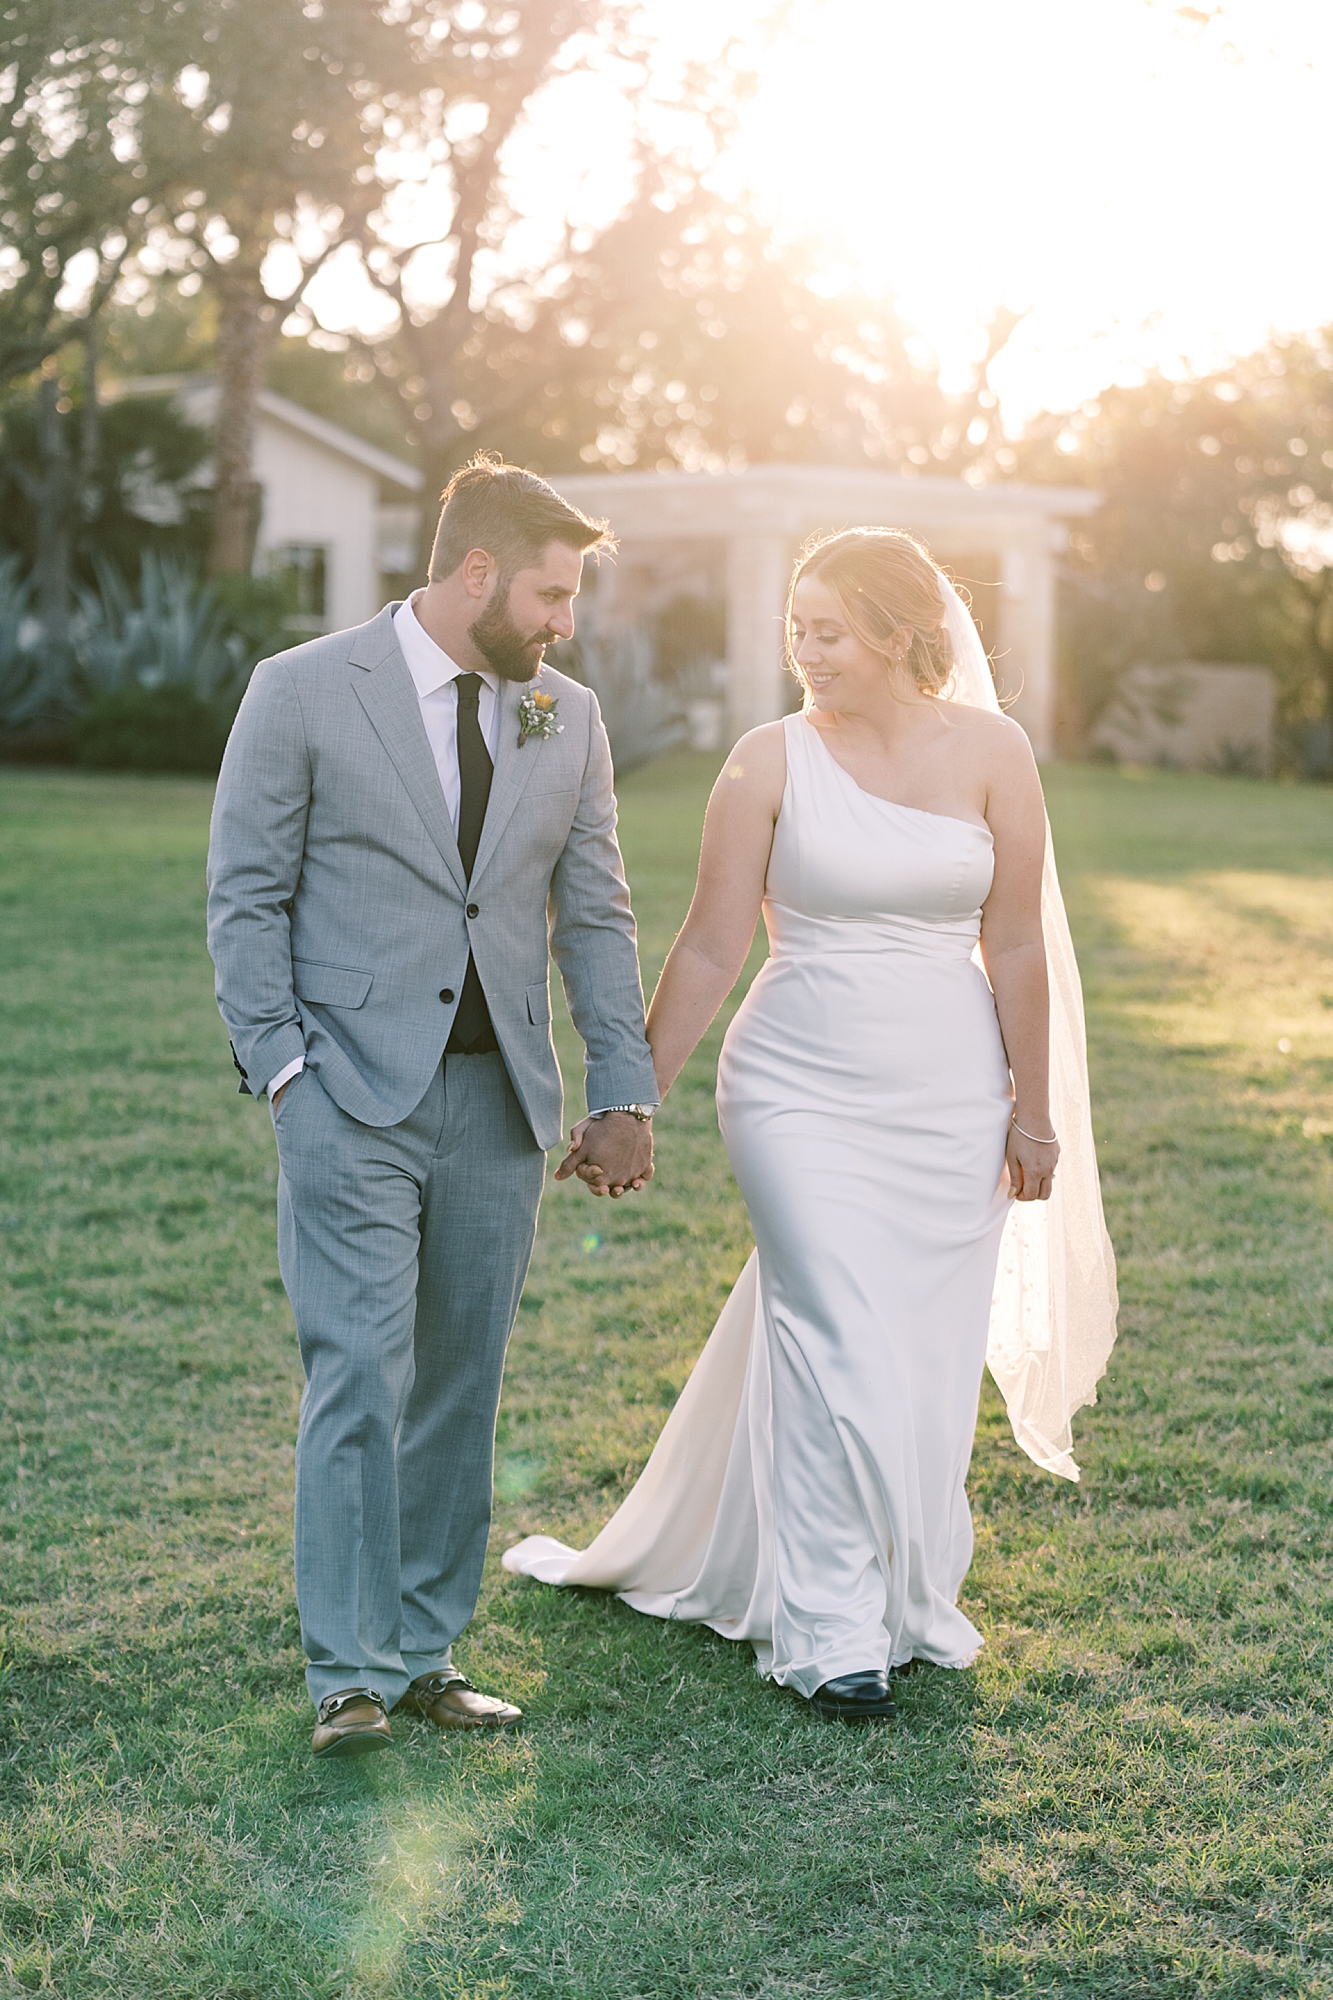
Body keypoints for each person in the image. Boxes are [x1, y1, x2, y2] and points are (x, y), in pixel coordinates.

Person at [506, 527, 1118, 1724]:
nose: (805, 652)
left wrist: (1033, 1109)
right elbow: (711, 942)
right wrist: (632, 1096)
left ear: (898, 632)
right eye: (796, 629)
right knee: (832, 1327)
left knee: (921, 1356)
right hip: (795, 1088)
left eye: (828, 630)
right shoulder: (768, 757)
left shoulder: (995, 752)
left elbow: (1013, 945)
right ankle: (832, 1627)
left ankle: (898, 1591)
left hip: (953, 1098)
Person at [207, 453, 660, 1759]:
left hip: (500, 1103)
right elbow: (245, 895)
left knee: (459, 1380)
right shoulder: (298, 691)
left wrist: (621, 1085)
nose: (563, 621)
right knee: (357, 1368)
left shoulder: (560, 715)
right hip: (346, 1090)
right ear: (475, 575)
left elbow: (596, 909)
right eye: (549, 592)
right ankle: (342, 1673)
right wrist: (286, 1072)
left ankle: (422, 1655)